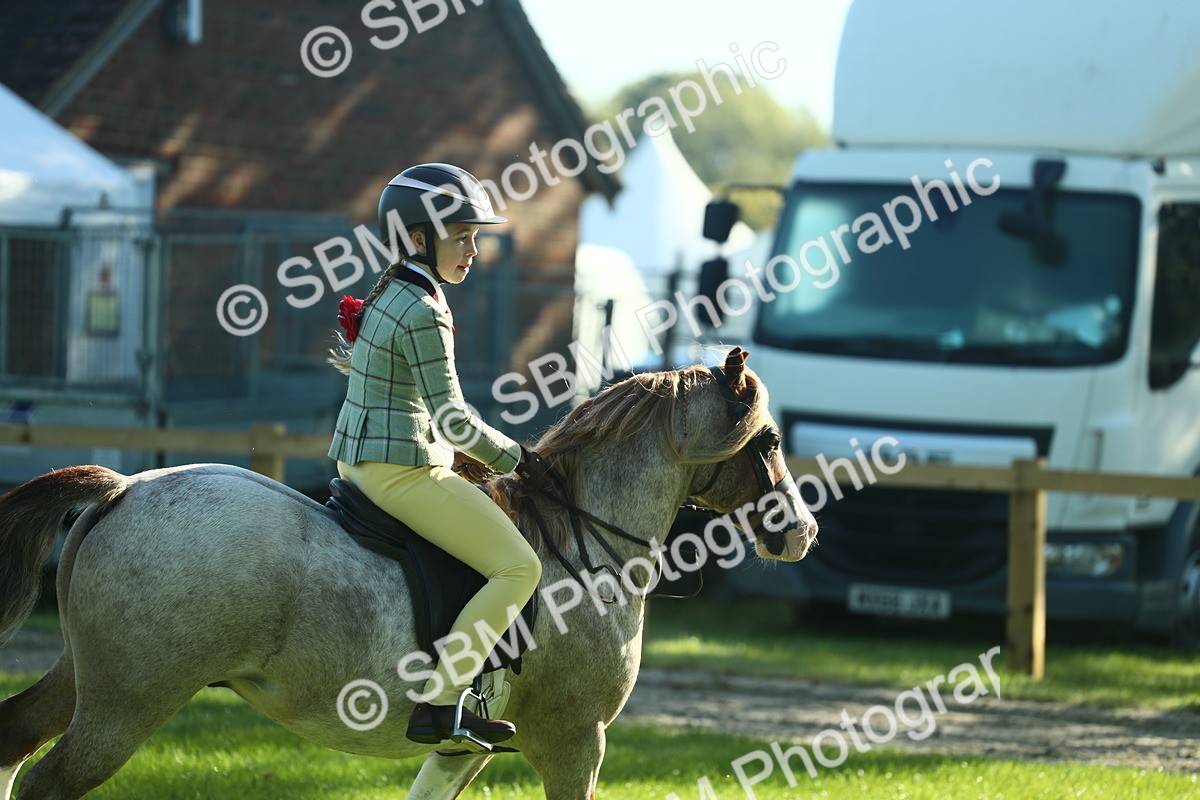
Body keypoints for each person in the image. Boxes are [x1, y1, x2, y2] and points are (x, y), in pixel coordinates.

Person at [328, 163, 549, 746]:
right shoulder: (425, 310)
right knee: (520, 567)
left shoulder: (394, 292)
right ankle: (441, 702)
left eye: (475, 237)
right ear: (418, 240)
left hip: (361, 462)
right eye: (462, 236)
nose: (474, 250)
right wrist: (517, 459)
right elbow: (451, 418)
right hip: (401, 473)